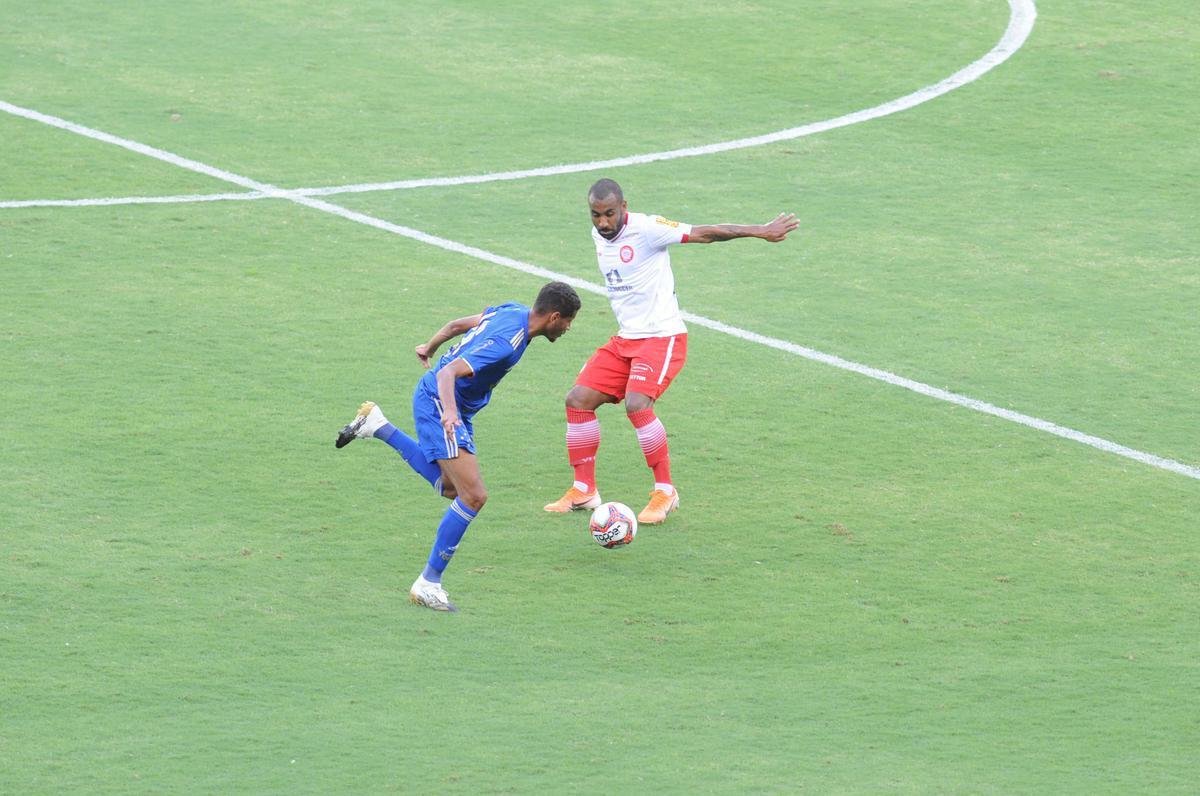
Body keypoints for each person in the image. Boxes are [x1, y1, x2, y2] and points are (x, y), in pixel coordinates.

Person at [544, 178, 798, 524]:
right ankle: (584, 489)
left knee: (637, 404)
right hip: (627, 339)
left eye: (609, 214)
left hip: (662, 337)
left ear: (624, 207)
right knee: (577, 400)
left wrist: (760, 231)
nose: (603, 222)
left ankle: (665, 492)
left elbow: (705, 233)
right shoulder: (598, 235)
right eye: (596, 215)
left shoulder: (648, 229)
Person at [338, 281, 581, 612]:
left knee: (453, 488)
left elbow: (456, 326)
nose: (568, 328)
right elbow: (448, 373)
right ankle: (428, 583)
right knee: (474, 496)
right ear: (554, 317)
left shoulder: (512, 310)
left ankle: (377, 425)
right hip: (440, 403)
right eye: (569, 321)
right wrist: (450, 413)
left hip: (451, 405)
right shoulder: (506, 344)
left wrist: (429, 346)